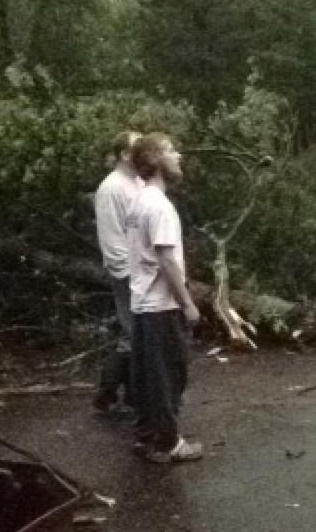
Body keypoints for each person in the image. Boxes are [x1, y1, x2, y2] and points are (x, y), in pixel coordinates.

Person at [126, 132, 203, 463]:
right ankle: (168, 443)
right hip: (160, 304)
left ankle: (146, 436)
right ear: (155, 160)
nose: (179, 155)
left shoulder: (138, 201)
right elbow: (167, 259)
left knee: (146, 373)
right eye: (171, 150)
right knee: (168, 374)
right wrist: (187, 303)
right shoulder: (159, 206)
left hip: (142, 301)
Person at [92, 130, 144, 412]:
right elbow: (112, 240)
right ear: (124, 154)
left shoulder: (135, 182)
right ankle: (115, 393)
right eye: (138, 146)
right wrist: (128, 274)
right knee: (134, 330)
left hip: (141, 271)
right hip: (127, 272)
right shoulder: (111, 189)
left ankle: (113, 394)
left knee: (132, 332)